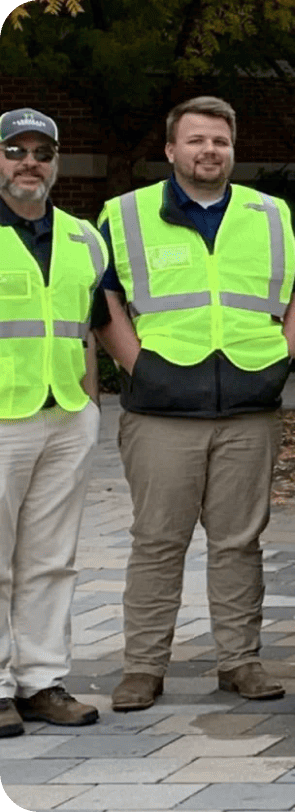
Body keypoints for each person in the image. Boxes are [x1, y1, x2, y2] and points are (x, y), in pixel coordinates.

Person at [93, 96, 295, 711]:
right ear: (170, 150)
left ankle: (240, 662)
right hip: (161, 411)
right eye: (195, 141)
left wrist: (283, 361)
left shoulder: (270, 214)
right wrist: (139, 366)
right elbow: (103, 298)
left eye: (220, 141)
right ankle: (143, 667)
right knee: (157, 541)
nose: (208, 151)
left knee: (239, 542)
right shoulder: (126, 214)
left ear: (232, 149)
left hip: (249, 405)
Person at [0, 107, 105, 735]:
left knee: (50, 558)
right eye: (16, 151)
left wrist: (90, 407)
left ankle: (40, 682)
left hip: (65, 415)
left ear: (56, 162)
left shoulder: (83, 238)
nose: (29, 163)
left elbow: (88, 328)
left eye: (42, 152)